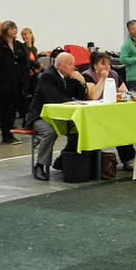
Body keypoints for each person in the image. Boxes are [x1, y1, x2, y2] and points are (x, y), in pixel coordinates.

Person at [25, 52, 88, 180]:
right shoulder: (47, 76)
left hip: (61, 116)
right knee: (50, 131)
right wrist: (73, 100)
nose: (73, 67)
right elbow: (54, 98)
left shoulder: (70, 76)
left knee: (80, 129)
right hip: (40, 116)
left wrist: (81, 82)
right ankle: (40, 165)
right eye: (70, 64)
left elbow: (81, 98)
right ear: (59, 65)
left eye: (74, 64)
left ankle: (63, 161)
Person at [81, 51, 136, 169]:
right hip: (93, 115)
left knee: (122, 127)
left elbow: (125, 92)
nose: (107, 67)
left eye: (108, 64)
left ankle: (129, 159)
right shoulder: (87, 76)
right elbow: (93, 96)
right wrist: (102, 79)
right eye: (103, 64)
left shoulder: (114, 74)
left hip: (111, 112)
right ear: (95, 65)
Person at [0, 20, 30, 144]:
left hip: (18, 82)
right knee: (6, 109)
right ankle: (6, 134)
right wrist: (3, 77)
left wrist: (24, 79)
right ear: (5, 30)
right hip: (5, 84)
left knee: (14, 109)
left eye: (15, 28)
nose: (14, 30)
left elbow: (25, 63)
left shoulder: (18, 45)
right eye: (11, 28)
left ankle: (10, 132)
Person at [21, 27, 41, 122]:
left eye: (26, 34)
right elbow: (27, 61)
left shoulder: (34, 49)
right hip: (26, 75)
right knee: (26, 96)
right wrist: (38, 64)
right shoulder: (22, 48)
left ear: (31, 35)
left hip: (33, 75)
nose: (24, 37)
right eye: (23, 35)